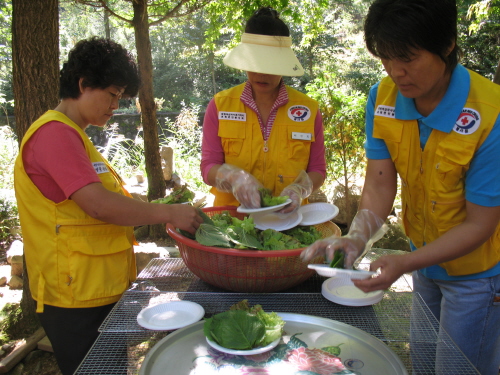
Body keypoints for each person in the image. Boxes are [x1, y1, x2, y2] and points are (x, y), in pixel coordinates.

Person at [301, 0, 500, 374]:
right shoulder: (384, 97)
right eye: (385, 59)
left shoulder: (491, 114)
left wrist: (405, 263)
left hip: (477, 277)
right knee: (423, 364)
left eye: (407, 58)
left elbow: (480, 224)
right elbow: (379, 183)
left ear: (447, 45)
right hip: (425, 264)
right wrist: (356, 237)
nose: (396, 72)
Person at [13, 37, 203, 375]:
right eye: (113, 94)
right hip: (73, 297)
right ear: (84, 84)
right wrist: (169, 212)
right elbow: (98, 205)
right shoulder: (55, 134)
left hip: (93, 287)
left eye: (121, 97)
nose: (116, 105)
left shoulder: (75, 134)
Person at [200, 7, 326, 213]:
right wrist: (233, 178)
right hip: (232, 223)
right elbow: (208, 168)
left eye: (271, 64)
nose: (261, 73)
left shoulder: (308, 109)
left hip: (289, 221)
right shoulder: (221, 104)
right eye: (255, 62)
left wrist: (298, 189)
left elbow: (317, 170)